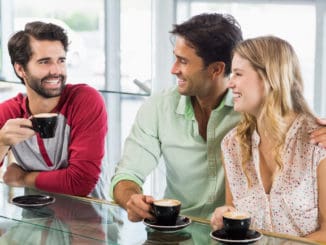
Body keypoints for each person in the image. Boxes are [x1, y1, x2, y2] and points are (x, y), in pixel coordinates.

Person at [110, 13, 326, 222]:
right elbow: (126, 173)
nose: (173, 69)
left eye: (183, 61)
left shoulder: (254, 109)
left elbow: (290, 115)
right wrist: (132, 199)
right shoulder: (160, 107)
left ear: (216, 69)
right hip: (177, 234)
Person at [210, 36, 326, 242]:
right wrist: (224, 218)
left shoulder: (318, 143)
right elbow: (234, 213)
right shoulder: (231, 144)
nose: (230, 84)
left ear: (269, 78)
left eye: (238, 74)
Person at [0, 21, 108, 199]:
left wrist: (24, 178)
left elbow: (80, 182)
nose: (56, 70)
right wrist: (1, 143)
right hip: (32, 215)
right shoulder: (9, 113)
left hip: (87, 217)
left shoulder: (85, 100)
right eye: (44, 62)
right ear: (20, 69)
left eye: (61, 60)